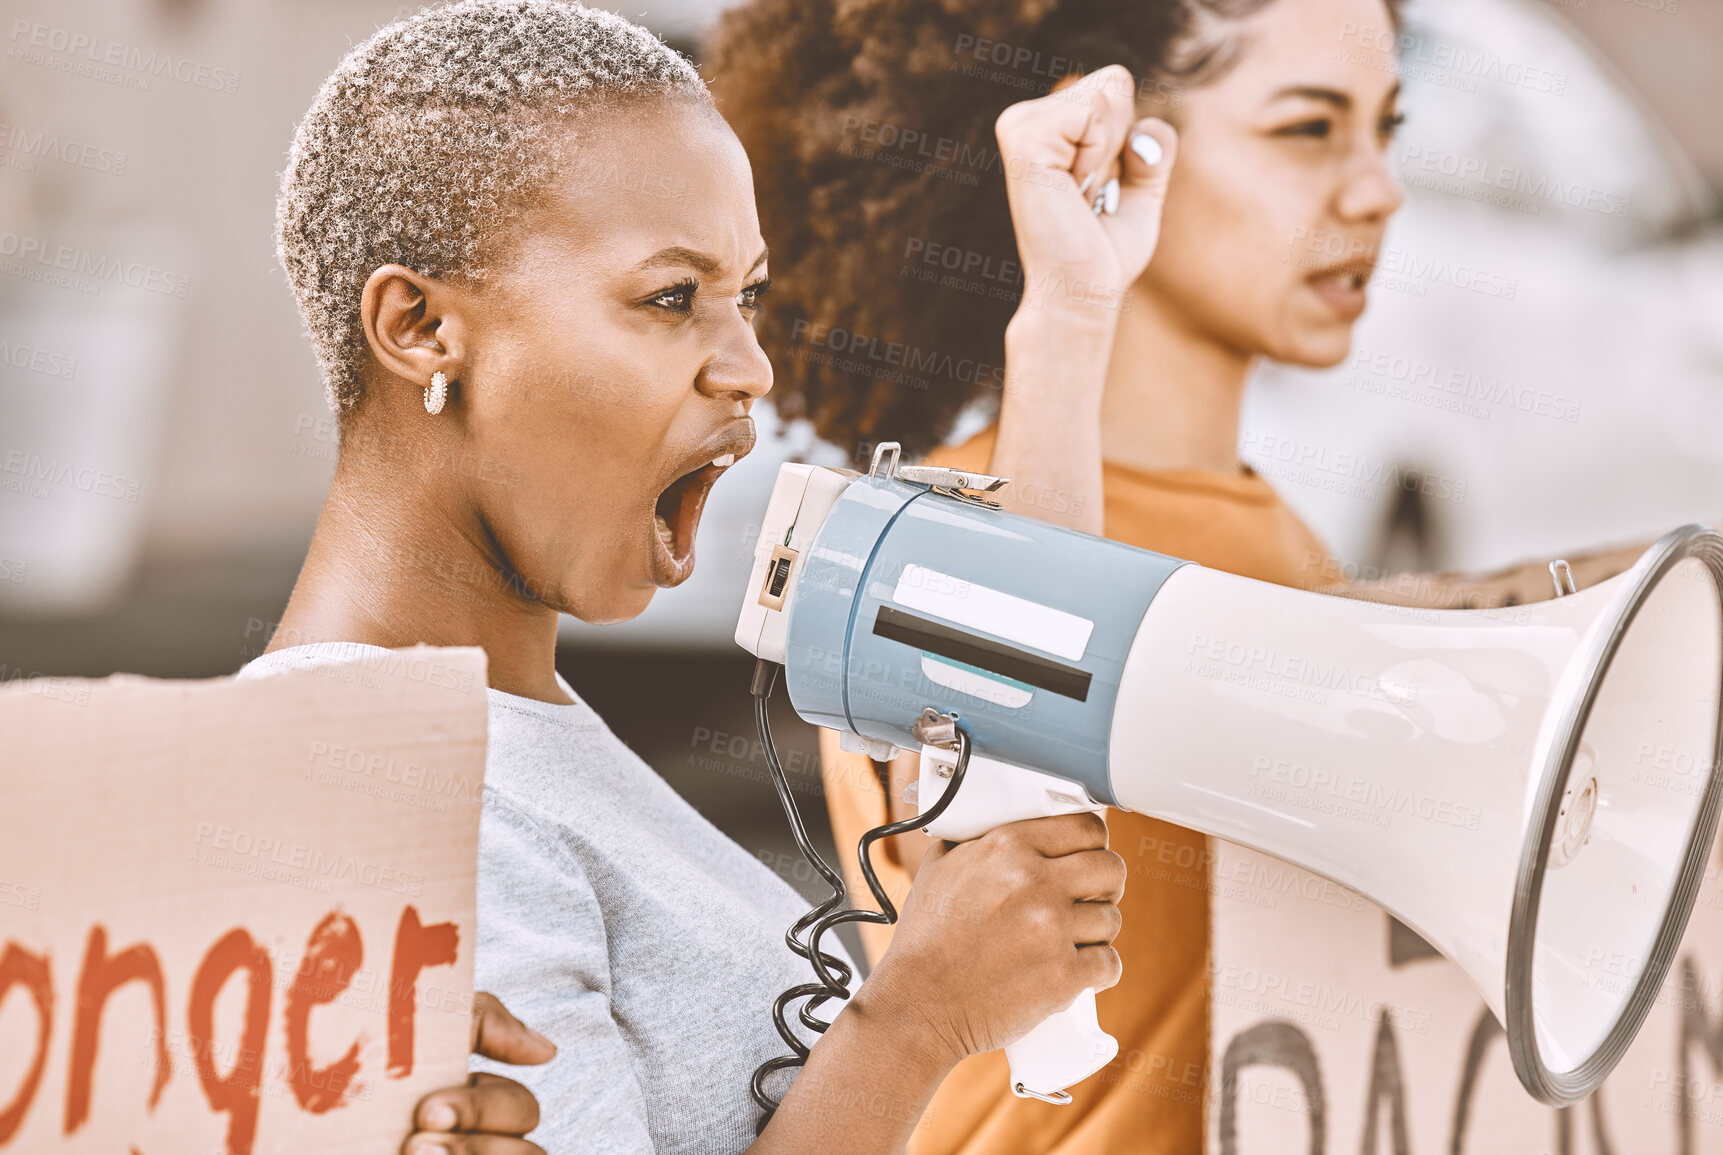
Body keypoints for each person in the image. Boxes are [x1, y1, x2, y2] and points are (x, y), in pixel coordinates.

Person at [710, 0, 1671, 1150]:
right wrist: (1067, 306)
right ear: (1112, 154)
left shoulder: (1271, 524)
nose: (1378, 191)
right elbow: (997, 815)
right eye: (1308, 130)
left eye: (1386, 126)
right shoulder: (930, 539)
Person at [239, 2, 1128, 1152]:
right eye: (671, 298)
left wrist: (1069, 308)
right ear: (419, 327)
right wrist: (909, 1021)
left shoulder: (505, 737)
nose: (749, 365)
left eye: (746, 297)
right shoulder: (375, 790)